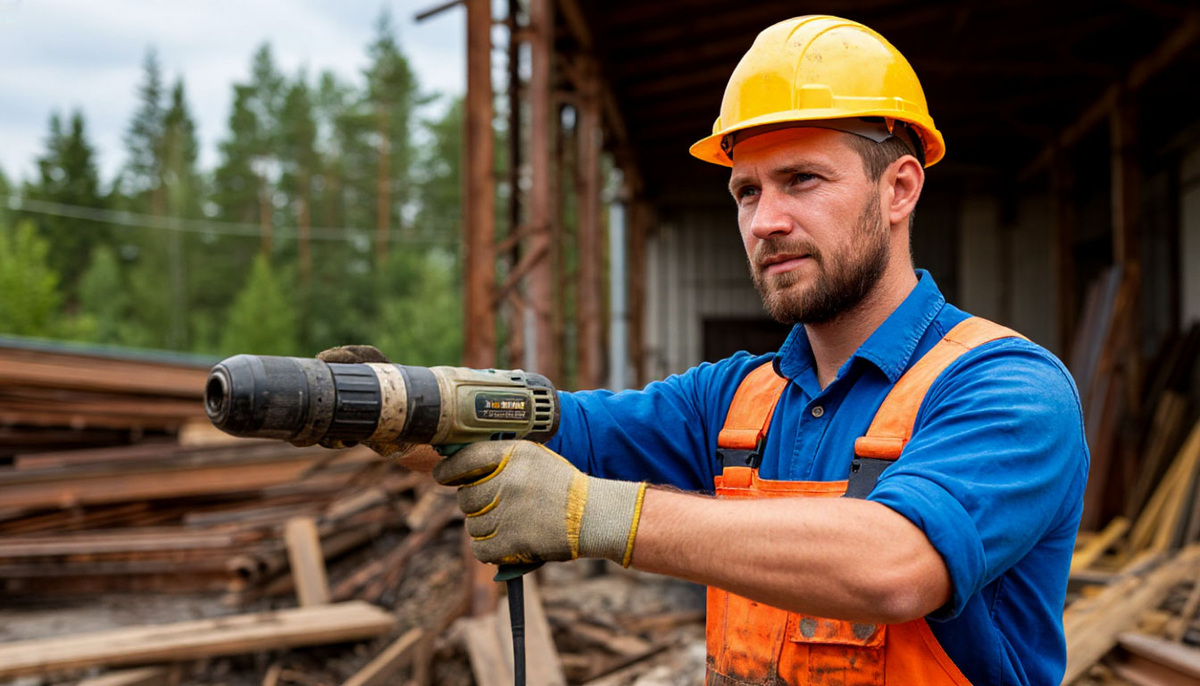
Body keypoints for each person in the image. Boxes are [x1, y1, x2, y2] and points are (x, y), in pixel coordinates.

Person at [363, 15, 1088, 685]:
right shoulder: (735, 402)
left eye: (802, 180)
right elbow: (559, 429)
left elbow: (893, 565)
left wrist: (594, 513)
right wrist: (380, 405)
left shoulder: (1006, 387)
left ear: (898, 189)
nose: (765, 221)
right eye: (746, 192)